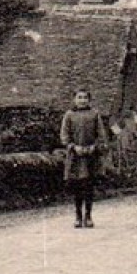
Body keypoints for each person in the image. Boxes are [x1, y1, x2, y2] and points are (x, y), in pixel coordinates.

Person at [60, 89, 110, 229]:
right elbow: (64, 135)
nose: (82, 100)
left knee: (88, 186)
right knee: (77, 186)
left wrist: (95, 146)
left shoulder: (94, 114)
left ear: (89, 100)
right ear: (74, 100)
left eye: (85, 98)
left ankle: (88, 216)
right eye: (79, 97)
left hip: (90, 155)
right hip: (75, 156)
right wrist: (72, 146)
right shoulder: (69, 115)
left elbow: (101, 134)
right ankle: (77, 216)